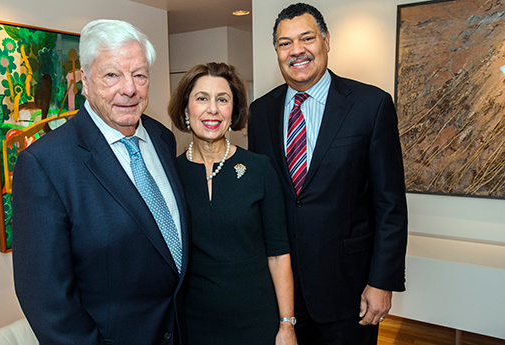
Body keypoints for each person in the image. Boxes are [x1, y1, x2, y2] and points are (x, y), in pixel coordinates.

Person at [12, 19, 190, 345]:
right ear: (84, 80)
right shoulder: (44, 163)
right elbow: (47, 300)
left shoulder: (162, 139)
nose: (129, 89)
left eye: (139, 75)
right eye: (112, 75)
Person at [248, 3, 408, 345]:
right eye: (285, 43)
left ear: (326, 40)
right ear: (276, 51)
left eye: (306, 38)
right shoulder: (260, 112)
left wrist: (382, 282)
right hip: (282, 293)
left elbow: (390, 203)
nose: (297, 51)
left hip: (348, 291)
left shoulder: (371, 105)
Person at [168, 62, 298, 345]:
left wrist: (287, 325)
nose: (212, 109)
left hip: (256, 318)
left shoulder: (260, 169)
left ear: (234, 111)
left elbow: (278, 255)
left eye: (222, 100)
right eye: (202, 98)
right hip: (194, 322)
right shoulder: (170, 175)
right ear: (185, 109)